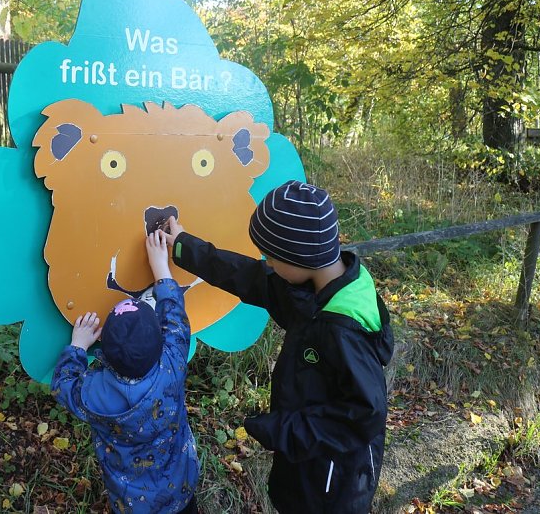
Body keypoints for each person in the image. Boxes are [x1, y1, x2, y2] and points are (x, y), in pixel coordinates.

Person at [164, 179, 394, 514]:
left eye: (272, 257)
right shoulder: (318, 289)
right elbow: (247, 275)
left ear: (301, 258)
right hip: (305, 464)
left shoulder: (341, 329)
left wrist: (283, 430)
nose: (268, 263)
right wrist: (185, 247)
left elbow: (364, 416)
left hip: (332, 485)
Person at [51, 230, 200, 514]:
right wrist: (160, 267)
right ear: (159, 339)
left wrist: (78, 346)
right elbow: (175, 317)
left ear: (105, 350)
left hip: (131, 502)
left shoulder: (94, 394)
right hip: (180, 488)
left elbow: (63, 385)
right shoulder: (172, 364)